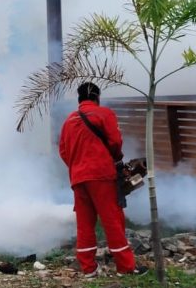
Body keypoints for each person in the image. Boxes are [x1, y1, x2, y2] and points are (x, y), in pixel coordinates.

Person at [58, 82, 147, 277]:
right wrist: (115, 159)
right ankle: (126, 267)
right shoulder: (105, 114)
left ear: (79, 99)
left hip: (78, 178)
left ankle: (88, 268)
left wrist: (77, 167)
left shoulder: (68, 121)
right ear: (97, 97)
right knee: (113, 220)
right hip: (101, 175)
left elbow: (63, 151)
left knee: (85, 222)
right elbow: (115, 142)